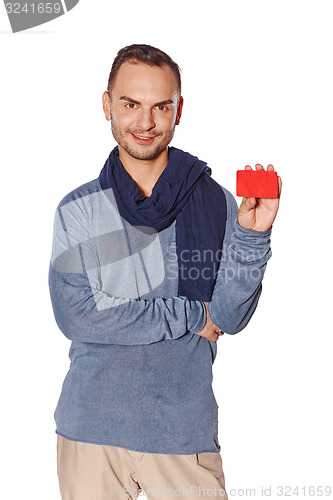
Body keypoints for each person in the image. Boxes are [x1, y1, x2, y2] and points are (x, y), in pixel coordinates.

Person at [49, 44, 281, 500]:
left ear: (179, 111)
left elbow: (229, 318)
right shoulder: (78, 210)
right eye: (130, 104)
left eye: (161, 106)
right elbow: (78, 317)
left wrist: (253, 235)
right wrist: (192, 315)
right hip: (90, 433)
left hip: (183, 432)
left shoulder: (215, 204)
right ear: (106, 105)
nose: (145, 122)